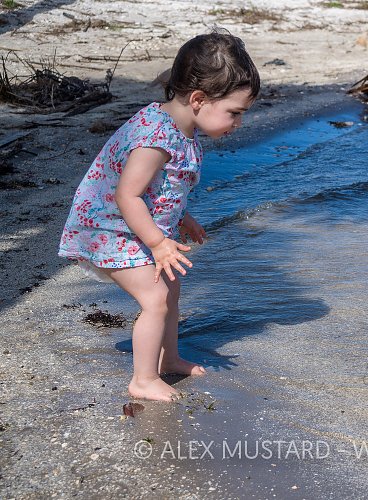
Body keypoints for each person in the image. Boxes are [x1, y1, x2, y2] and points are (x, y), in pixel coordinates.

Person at [58, 31, 260, 401]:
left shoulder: (183, 130)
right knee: (155, 299)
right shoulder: (155, 137)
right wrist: (157, 241)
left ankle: (167, 358)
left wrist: (182, 218)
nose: (238, 123)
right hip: (108, 229)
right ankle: (143, 379)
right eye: (235, 113)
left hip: (134, 225)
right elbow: (127, 194)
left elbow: (162, 190)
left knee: (171, 288)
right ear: (198, 100)